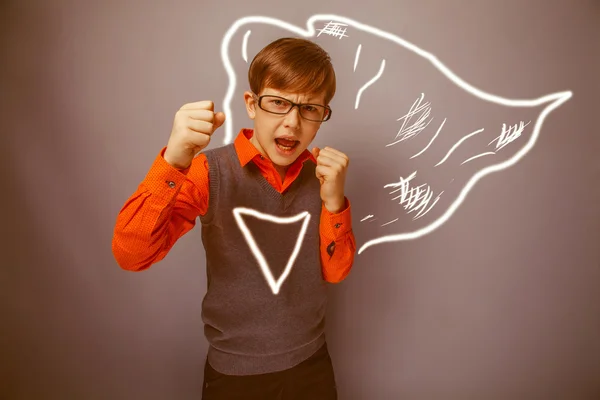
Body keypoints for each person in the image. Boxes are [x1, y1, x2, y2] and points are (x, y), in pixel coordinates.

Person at [112, 37, 356, 399]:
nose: (292, 123)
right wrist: (174, 161)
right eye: (278, 102)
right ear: (251, 104)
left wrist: (334, 202)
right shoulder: (208, 172)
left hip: (311, 365)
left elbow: (336, 271)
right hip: (235, 375)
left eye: (310, 109)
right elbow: (131, 255)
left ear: (323, 116)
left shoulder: (321, 176)